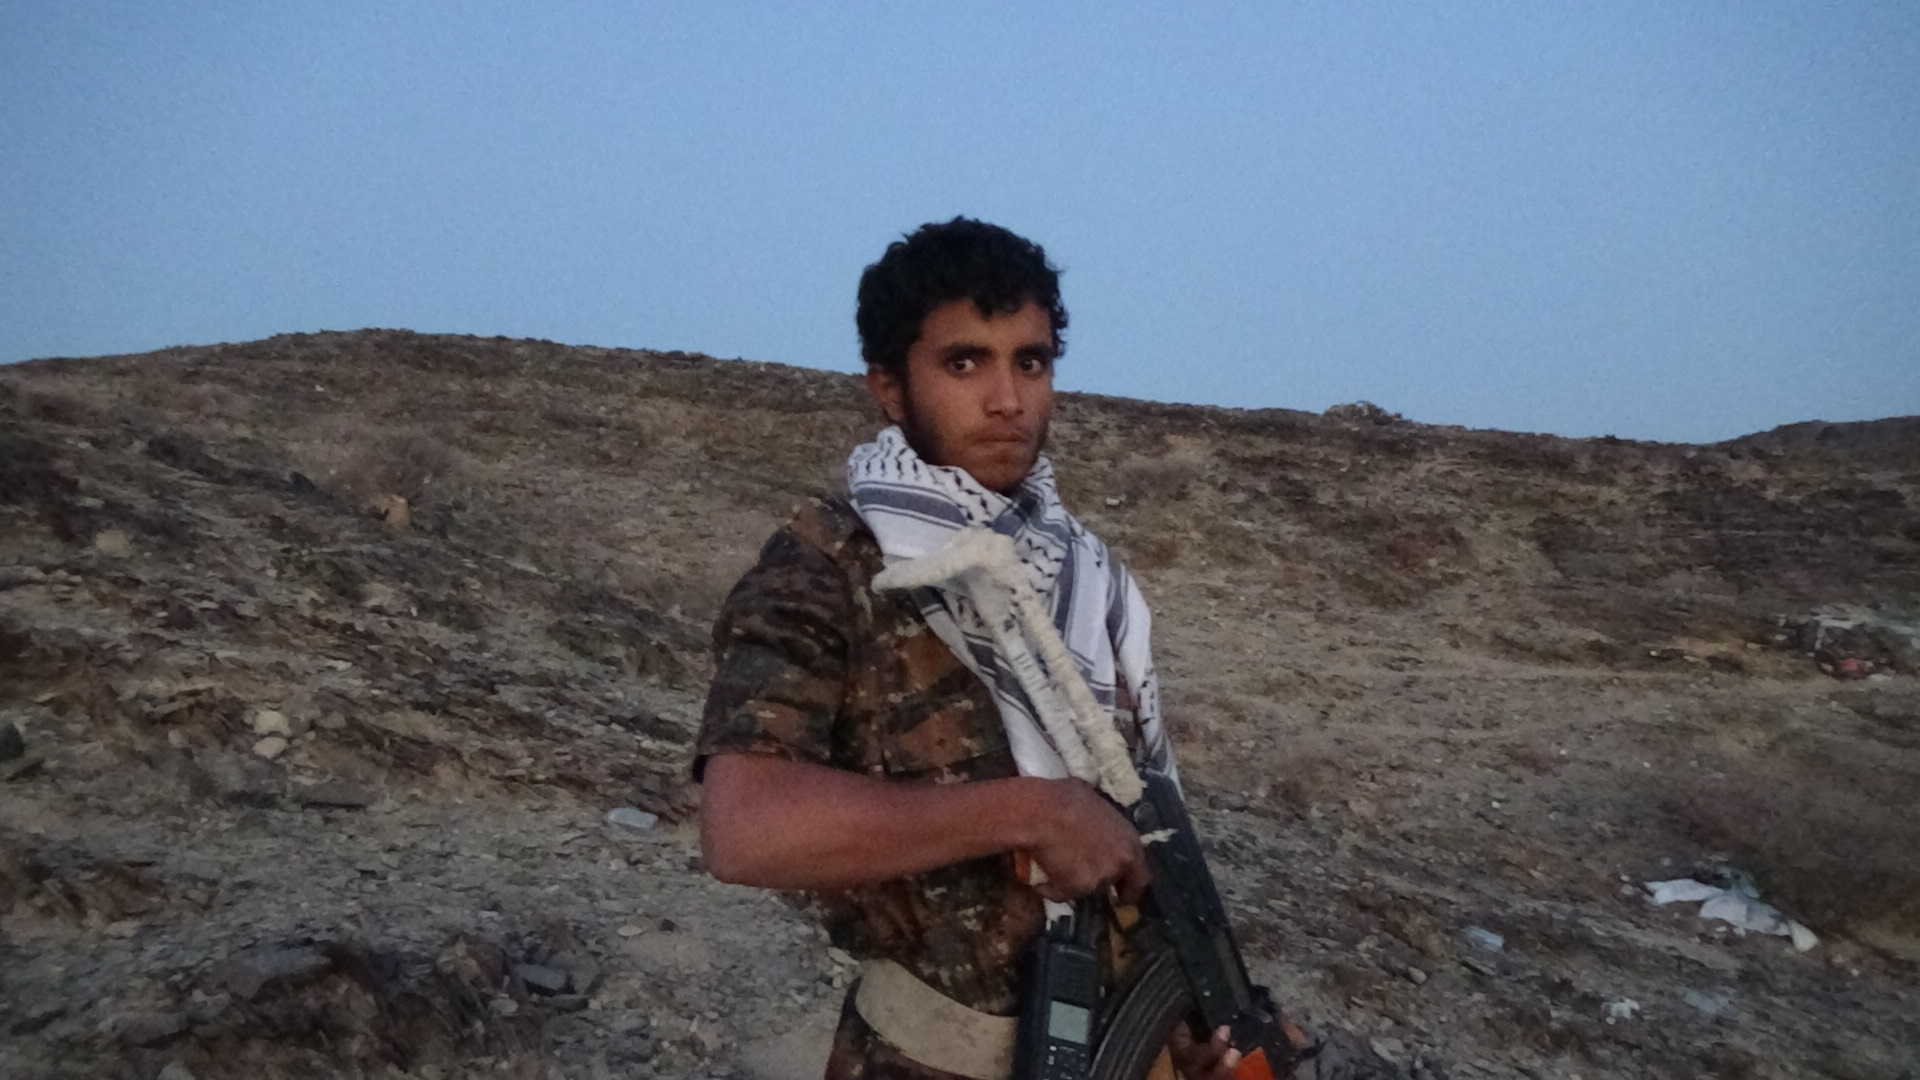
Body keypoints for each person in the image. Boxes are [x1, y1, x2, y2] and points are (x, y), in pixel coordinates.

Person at [695, 218, 1244, 1079]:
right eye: (964, 363)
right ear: (889, 386)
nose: (1007, 399)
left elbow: (1135, 849)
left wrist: (1197, 1034)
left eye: (1031, 362)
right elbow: (746, 830)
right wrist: (1030, 812)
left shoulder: (1086, 579)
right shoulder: (832, 567)